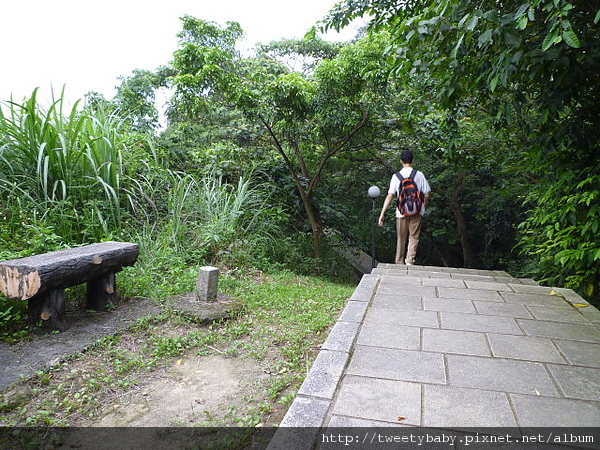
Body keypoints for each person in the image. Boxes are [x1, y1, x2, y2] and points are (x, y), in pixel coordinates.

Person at [378, 150, 431, 265]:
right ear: (413, 160)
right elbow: (426, 194)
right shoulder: (419, 175)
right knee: (414, 237)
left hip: (401, 212)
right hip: (416, 211)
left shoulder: (396, 176)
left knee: (401, 238)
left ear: (401, 161)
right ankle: (410, 261)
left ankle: (399, 262)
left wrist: (382, 214)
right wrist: (423, 207)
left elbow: (390, 195)